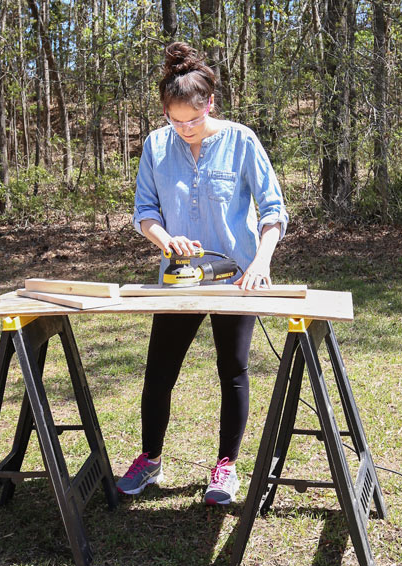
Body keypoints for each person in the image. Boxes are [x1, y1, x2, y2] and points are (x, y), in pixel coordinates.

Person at [116, 41, 289, 505]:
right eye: (176, 121)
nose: (185, 129)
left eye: (193, 120)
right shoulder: (156, 145)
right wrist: (165, 241)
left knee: (232, 370)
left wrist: (261, 262)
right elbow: (144, 212)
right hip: (179, 281)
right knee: (159, 374)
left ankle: (225, 468)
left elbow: (273, 211)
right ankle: (149, 460)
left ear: (210, 103)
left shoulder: (242, 140)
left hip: (237, 279)